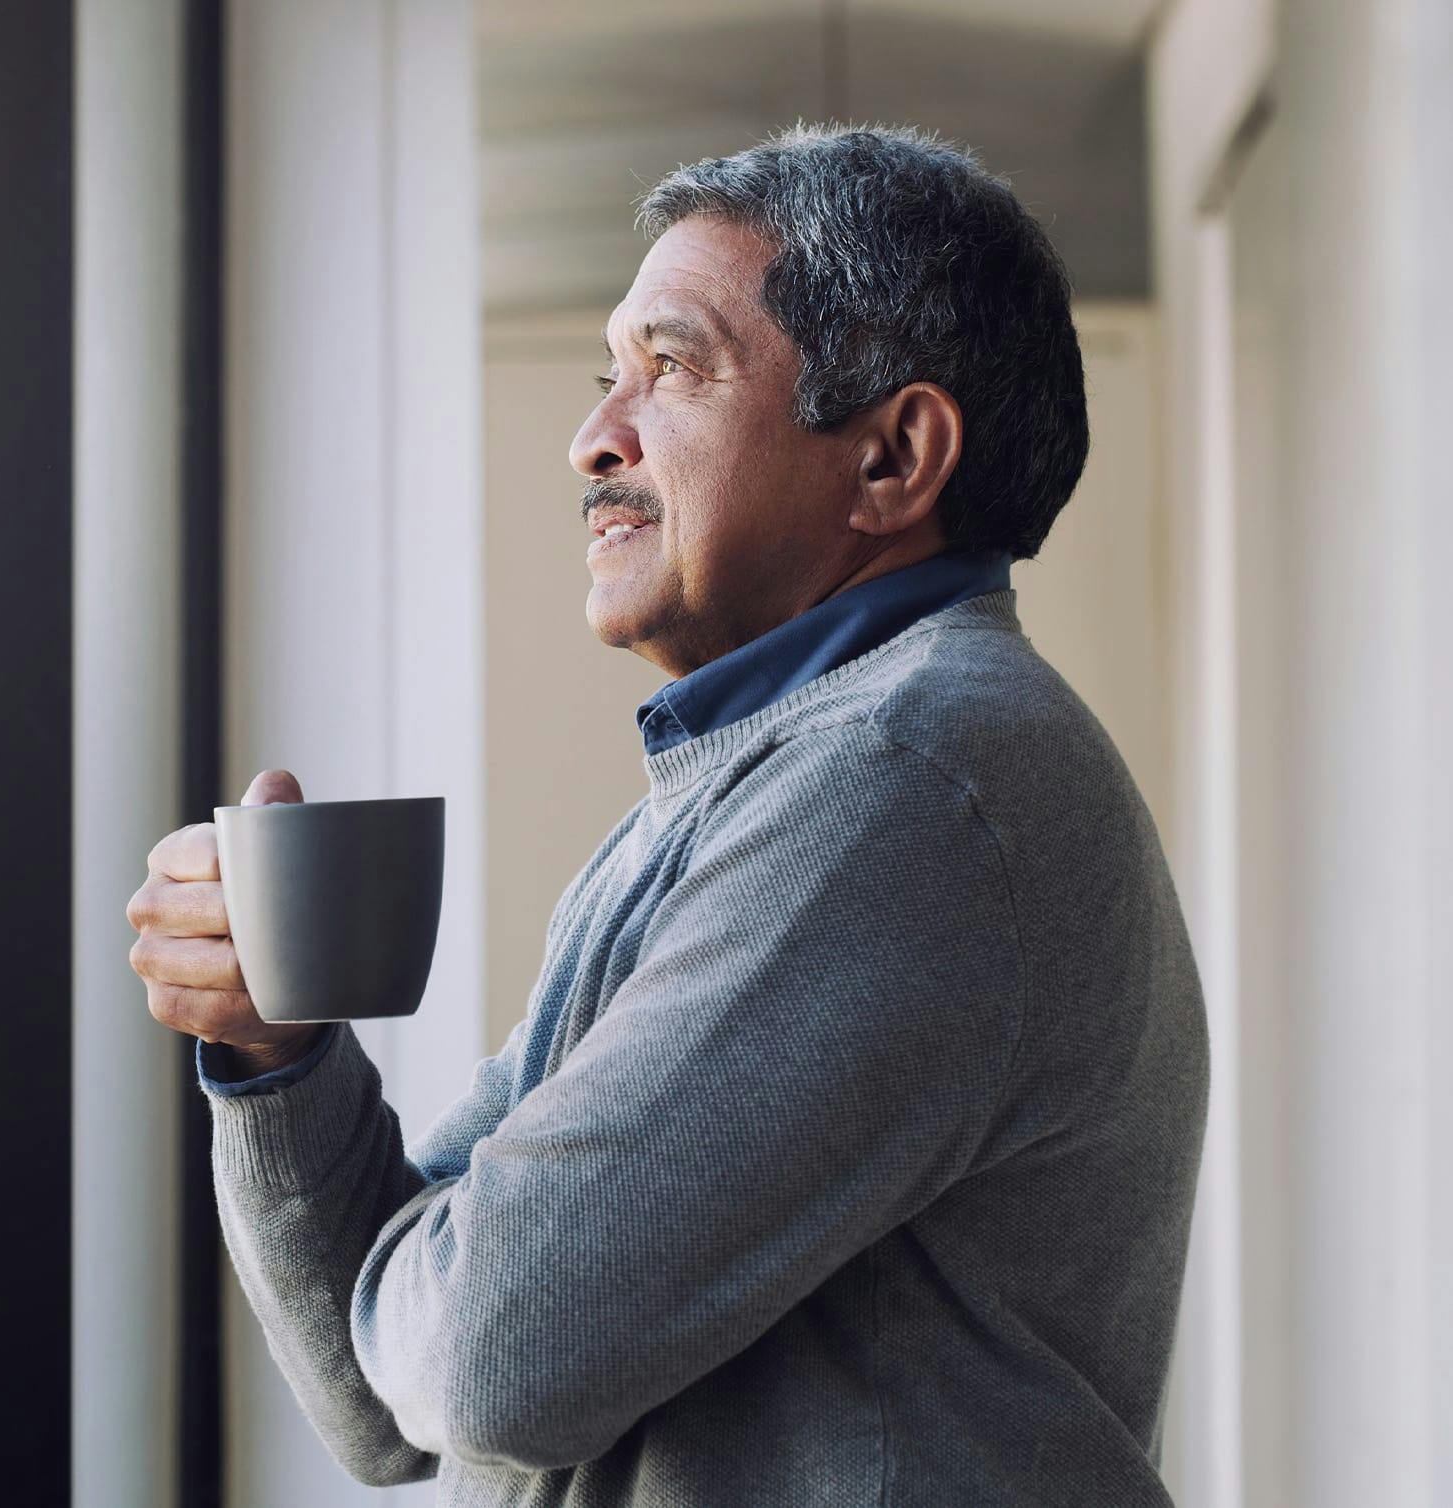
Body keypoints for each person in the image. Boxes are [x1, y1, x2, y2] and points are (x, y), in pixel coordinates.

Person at [127, 123, 1208, 1505]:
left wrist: (448, 1279)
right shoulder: (753, 782)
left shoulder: (906, 775)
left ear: (893, 458)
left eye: (675, 367)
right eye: (609, 375)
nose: (594, 438)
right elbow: (382, 1405)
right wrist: (275, 1055)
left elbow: (485, 1364)